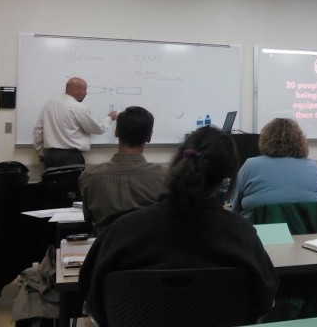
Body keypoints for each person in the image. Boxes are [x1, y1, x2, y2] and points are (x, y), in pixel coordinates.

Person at [79, 126, 279, 326]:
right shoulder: (241, 234)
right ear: (226, 182)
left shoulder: (122, 231)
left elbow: (93, 300)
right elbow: (264, 302)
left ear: (176, 164)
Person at [78, 106, 168, 235]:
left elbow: (88, 219)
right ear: (149, 136)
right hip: (149, 250)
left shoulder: (90, 176)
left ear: (116, 132)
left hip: (105, 251)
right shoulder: (165, 176)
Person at [231, 118, 317, 218]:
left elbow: (235, 209)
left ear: (264, 141)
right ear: (301, 141)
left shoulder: (250, 166)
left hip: (259, 232)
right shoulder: (313, 166)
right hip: (310, 233)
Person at [33, 77, 117, 168]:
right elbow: (98, 128)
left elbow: (38, 130)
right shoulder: (78, 107)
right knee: (71, 182)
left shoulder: (50, 103)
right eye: (85, 90)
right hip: (70, 158)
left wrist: (41, 152)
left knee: (51, 181)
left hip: (49, 156)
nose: (86, 93)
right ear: (75, 90)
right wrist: (109, 118)